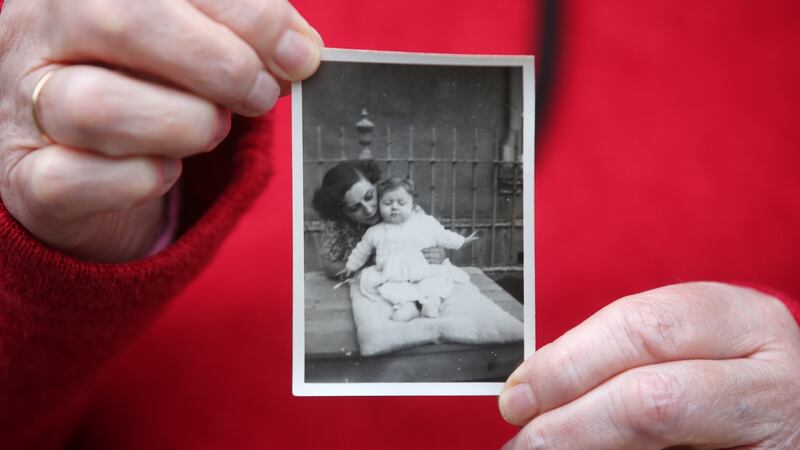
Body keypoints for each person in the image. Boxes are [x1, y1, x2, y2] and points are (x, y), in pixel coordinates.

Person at [0, 1, 799, 449]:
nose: (374, 210)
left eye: (377, 201)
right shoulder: (70, 43)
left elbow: (446, 239)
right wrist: (51, 253)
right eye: (361, 209)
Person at [342, 177, 478, 321]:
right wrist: (350, 266)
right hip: (393, 275)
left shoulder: (424, 222)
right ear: (379, 206)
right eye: (387, 203)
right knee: (387, 288)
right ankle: (406, 306)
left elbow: (442, 235)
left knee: (436, 281)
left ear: (413, 206)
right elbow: (362, 250)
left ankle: (431, 303)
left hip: (422, 270)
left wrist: (461, 241)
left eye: (401, 203)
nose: (394, 207)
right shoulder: (375, 231)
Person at [311, 161, 445, 279]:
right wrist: (369, 266)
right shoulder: (337, 223)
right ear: (341, 212)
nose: (368, 210)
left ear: (375, 184)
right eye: (354, 208)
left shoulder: (397, 204)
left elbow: (436, 241)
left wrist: (439, 253)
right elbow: (329, 266)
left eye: (369, 196)